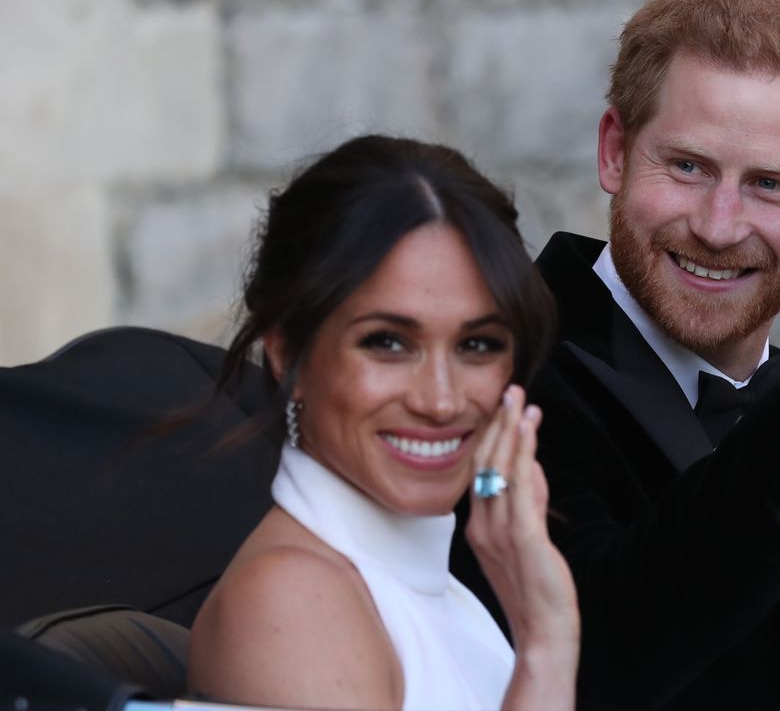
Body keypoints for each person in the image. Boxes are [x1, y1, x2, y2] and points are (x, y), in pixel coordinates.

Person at [448, 0, 780, 709]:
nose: (718, 226)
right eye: (687, 167)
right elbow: (600, 654)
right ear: (615, 152)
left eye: (770, 184)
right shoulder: (503, 374)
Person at [186, 136, 579, 711]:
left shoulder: (439, 590)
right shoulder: (292, 600)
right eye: (388, 343)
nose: (441, 401)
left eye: (477, 344)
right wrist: (547, 649)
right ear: (286, 350)